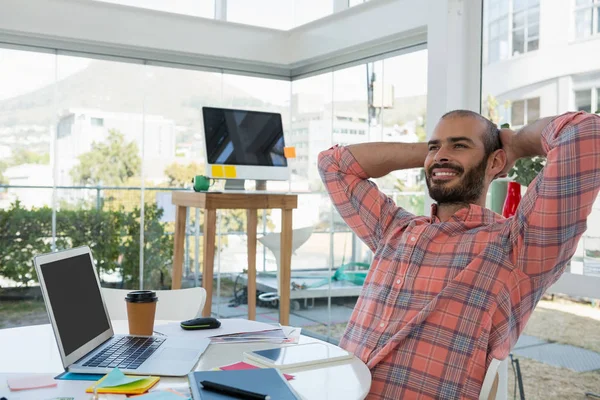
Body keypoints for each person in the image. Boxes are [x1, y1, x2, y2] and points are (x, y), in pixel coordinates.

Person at [318, 110, 600, 399]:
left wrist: (513, 144)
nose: (441, 155)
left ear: (495, 162)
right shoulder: (395, 229)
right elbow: (333, 165)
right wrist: (437, 156)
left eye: (460, 145)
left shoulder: (517, 247)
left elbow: (584, 132)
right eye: (434, 146)